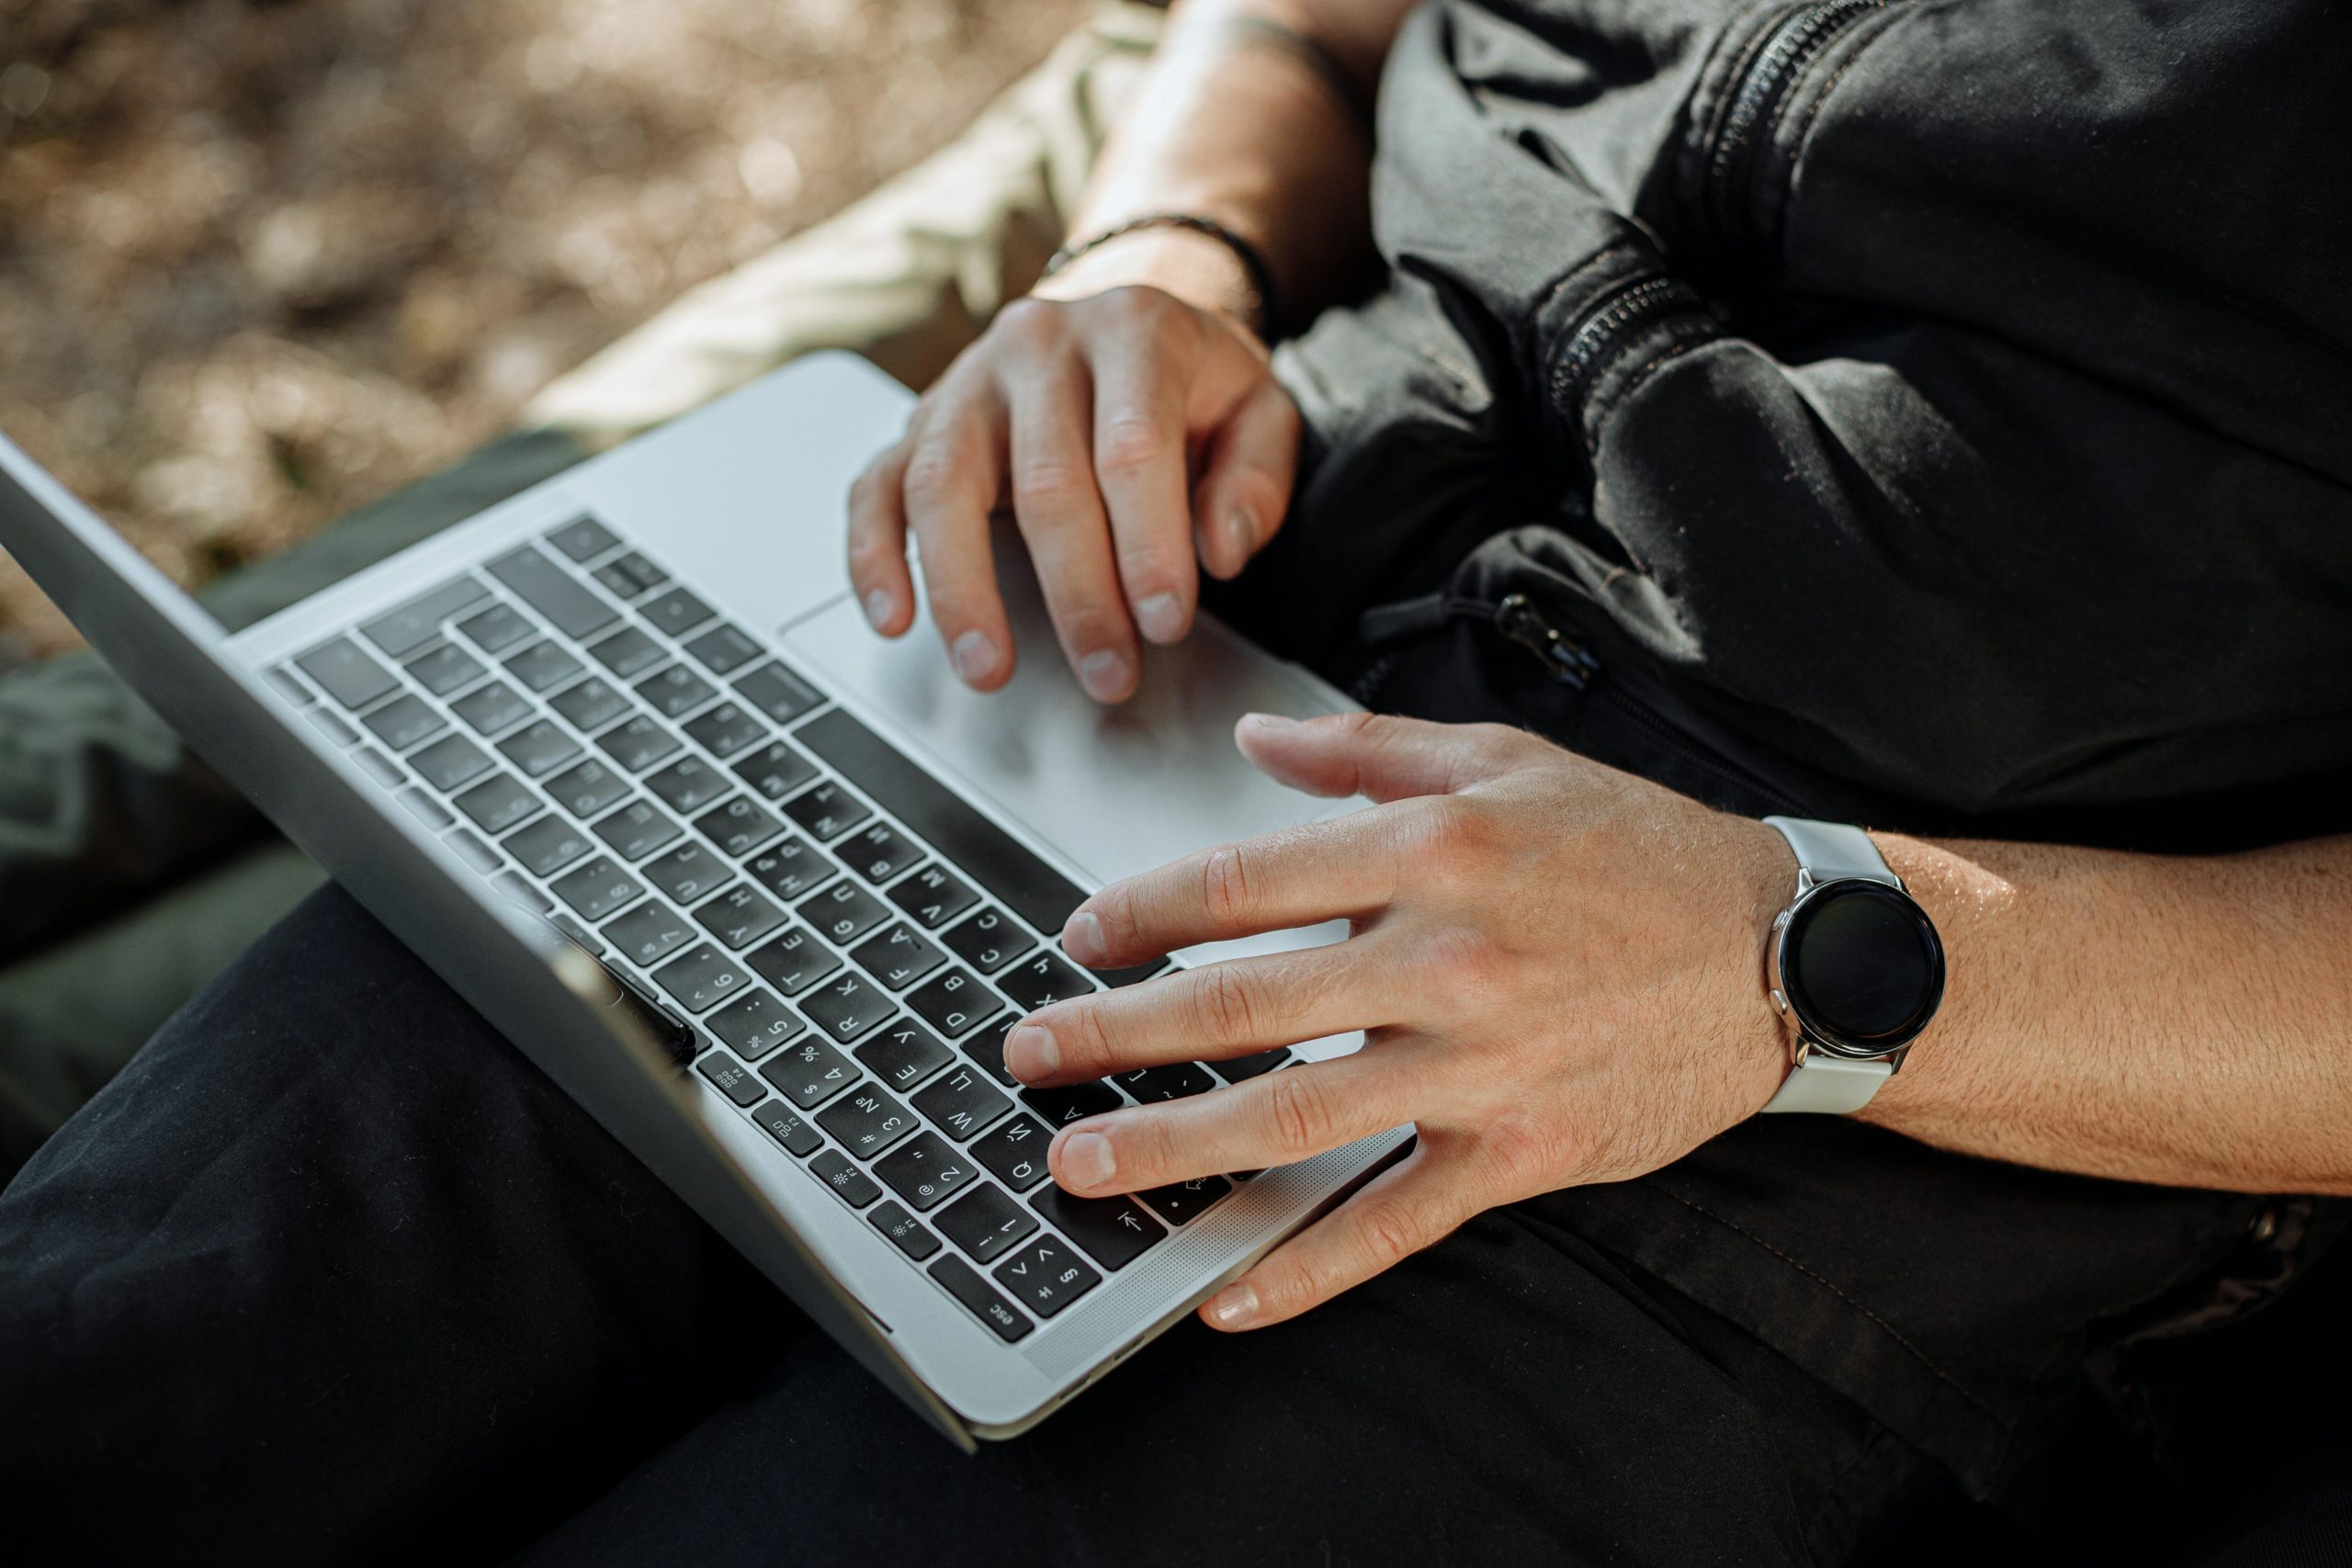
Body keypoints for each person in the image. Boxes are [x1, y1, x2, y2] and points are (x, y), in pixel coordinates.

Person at [2, 1, 2346, 1563]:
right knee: (109, 1369)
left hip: (1764, 1133)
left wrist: (1793, 956)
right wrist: (1167, 248)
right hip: (1092, 649)